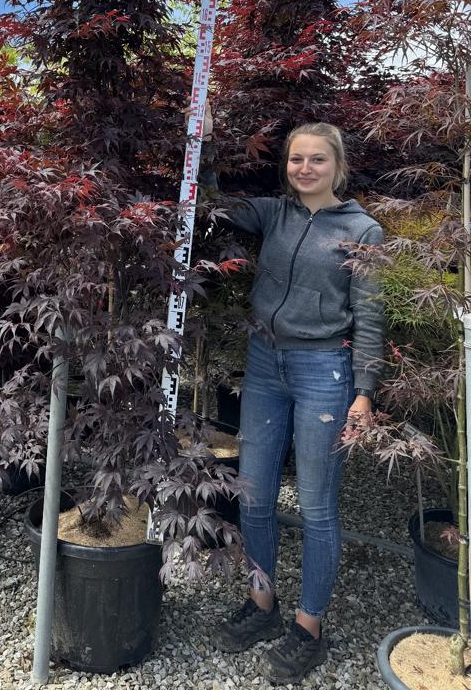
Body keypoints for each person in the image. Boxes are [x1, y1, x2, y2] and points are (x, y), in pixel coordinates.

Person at [206, 118, 383, 685]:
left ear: (338, 165)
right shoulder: (273, 213)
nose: (304, 169)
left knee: (316, 507)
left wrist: (364, 392)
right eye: (295, 159)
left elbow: (370, 315)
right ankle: (263, 605)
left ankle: (309, 627)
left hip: (324, 371)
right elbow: (210, 202)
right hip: (264, 362)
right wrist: (204, 143)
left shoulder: (363, 230)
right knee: (253, 497)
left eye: (316, 160)